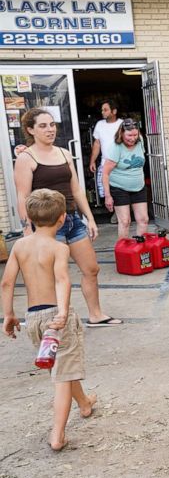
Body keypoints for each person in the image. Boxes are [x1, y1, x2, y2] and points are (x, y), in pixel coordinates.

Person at [2, 188, 97, 451]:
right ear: (63, 219)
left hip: (32, 318)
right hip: (56, 316)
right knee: (62, 377)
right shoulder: (59, 247)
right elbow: (62, 280)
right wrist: (63, 312)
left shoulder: (20, 246)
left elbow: (7, 281)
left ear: (29, 218)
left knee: (62, 369)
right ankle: (58, 435)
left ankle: (85, 402)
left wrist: (8, 314)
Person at [14, 108, 120, 327]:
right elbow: (22, 197)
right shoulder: (26, 158)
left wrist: (89, 218)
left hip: (71, 219)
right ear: (30, 130)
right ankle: (54, 320)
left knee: (91, 269)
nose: (50, 129)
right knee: (52, 277)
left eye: (52, 124)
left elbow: (77, 190)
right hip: (46, 226)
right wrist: (27, 231)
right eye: (43, 126)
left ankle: (96, 314)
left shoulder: (63, 153)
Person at [102, 119, 150, 241]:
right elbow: (105, 173)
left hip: (139, 186)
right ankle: (124, 253)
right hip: (119, 188)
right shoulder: (116, 147)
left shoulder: (140, 141)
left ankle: (140, 250)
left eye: (135, 135)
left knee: (143, 220)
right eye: (129, 135)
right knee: (125, 221)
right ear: (122, 133)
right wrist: (107, 196)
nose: (132, 138)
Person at [88, 99, 123, 204]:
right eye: (102, 110)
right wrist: (92, 161)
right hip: (105, 163)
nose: (102, 112)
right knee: (105, 191)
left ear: (114, 111)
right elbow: (97, 144)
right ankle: (115, 211)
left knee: (121, 190)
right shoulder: (100, 124)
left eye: (105, 110)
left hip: (120, 164)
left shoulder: (122, 124)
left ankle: (118, 212)